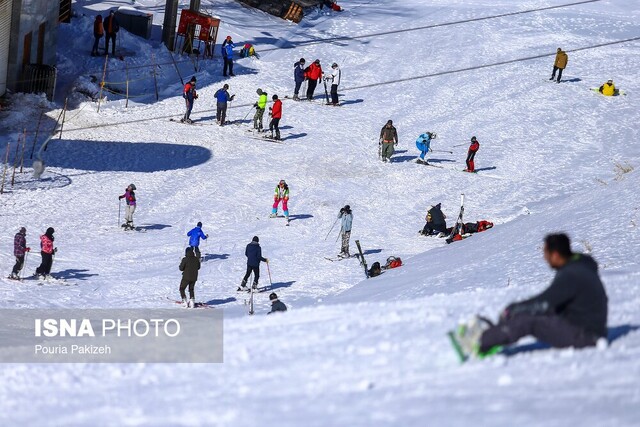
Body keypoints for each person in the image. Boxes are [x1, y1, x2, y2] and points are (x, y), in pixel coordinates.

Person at [453, 233, 608, 359]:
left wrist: (514, 309)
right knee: (532, 313)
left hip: (585, 336)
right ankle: (495, 333)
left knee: (528, 321)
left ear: (555, 255)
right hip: (587, 325)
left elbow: (544, 303)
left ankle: (478, 341)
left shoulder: (571, 275)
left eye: (546, 254)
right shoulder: (581, 263)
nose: (544, 258)